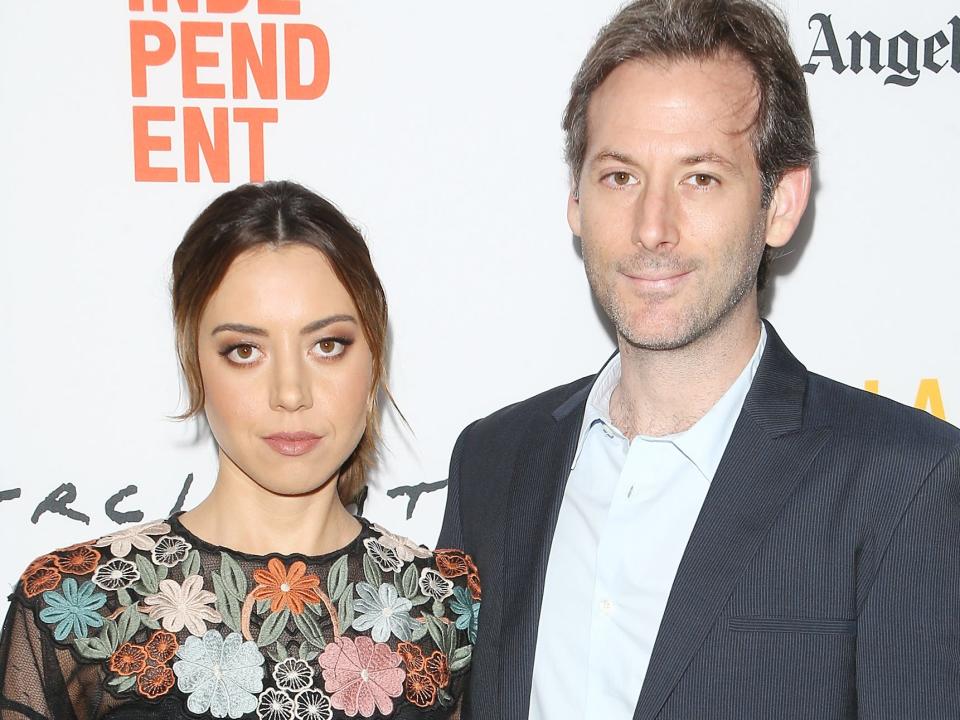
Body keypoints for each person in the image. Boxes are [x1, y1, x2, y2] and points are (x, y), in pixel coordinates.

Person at [439, 1, 960, 719]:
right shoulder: (492, 465)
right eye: (620, 176)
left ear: (780, 204)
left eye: (700, 178)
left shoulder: (904, 483)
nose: (653, 227)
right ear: (576, 202)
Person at [1, 181, 479, 720]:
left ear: (373, 357)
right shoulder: (73, 607)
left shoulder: (443, 604)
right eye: (245, 350)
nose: (291, 393)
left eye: (328, 345)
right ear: (194, 362)